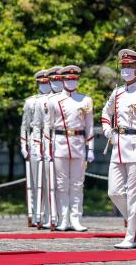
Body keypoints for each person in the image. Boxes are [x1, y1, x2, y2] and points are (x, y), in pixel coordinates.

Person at [101, 49, 136, 249]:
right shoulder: (117, 93)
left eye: (130, 67)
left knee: (135, 195)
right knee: (114, 192)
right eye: (124, 66)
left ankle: (133, 237)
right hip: (118, 146)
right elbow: (106, 113)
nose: (126, 70)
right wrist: (108, 131)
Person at [44, 65, 94, 232]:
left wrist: (91, 148)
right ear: (63, 80)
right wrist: (46, 148)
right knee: (61, 184)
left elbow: (90, 126)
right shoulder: (53, 100)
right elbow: (47, 126)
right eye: (68, 79)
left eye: (74, 79)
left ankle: (76, 218)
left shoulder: (85, 100)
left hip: (78, 143)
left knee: (78, 184)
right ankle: (63, 219)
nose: (71, 82)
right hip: (60, 143)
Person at [32, 66, 63, 229]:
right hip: (47, 145)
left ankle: (63, 217)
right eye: (54, 80)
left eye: (59, 80)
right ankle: (48, 216)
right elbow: (36, 125)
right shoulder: (41, 101)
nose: (56, 83)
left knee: (63, 184)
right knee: (47, 183)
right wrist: (37, 146)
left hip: (64, 145)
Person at [20, 69, 48, 227]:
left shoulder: (54, 99)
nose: (45, 85)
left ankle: (48, 214)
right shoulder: (30, 101)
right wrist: (24, 145)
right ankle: (35, 213)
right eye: (42, 83)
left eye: (47, 82)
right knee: (36, 181)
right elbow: (25, 126)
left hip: (51, 141)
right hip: (35, 141)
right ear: (38, 83)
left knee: (49, 182)